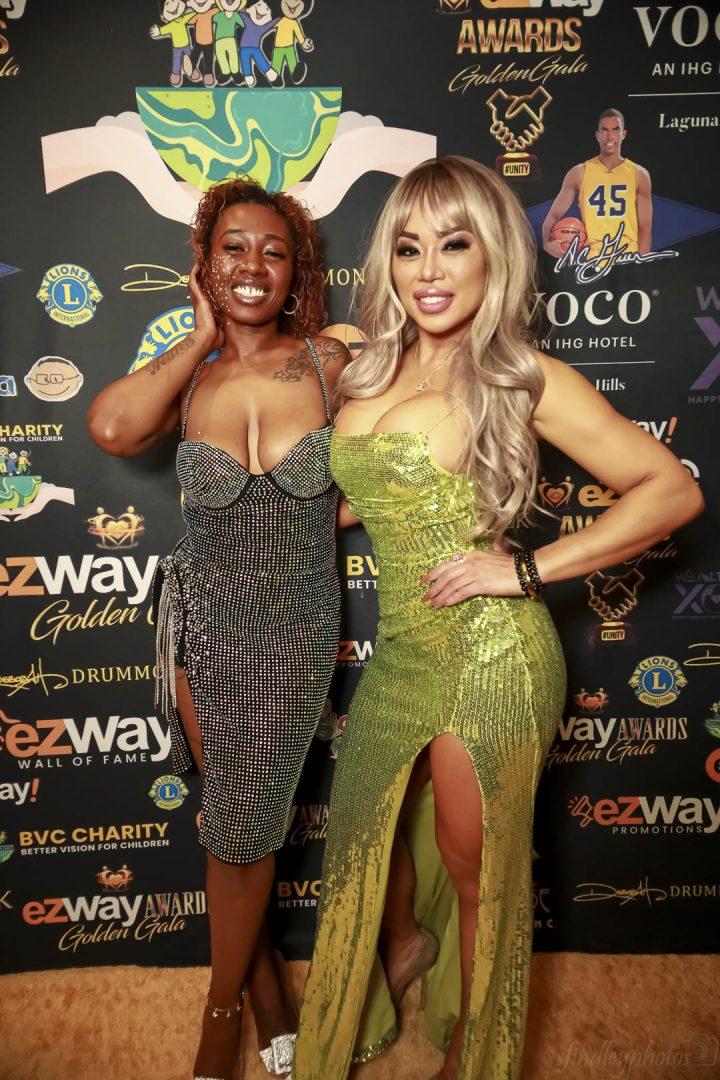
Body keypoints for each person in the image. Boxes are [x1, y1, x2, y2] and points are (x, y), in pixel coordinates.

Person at [293, 156, 703, 1080]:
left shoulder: (521, 375)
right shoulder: (367, 367)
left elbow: (671, 490)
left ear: (493, 257)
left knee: (476, 868)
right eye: (409, 248)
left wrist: (524, 569)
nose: (429, 270)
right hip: (404, 649)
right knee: (361, 842)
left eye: (454, 244)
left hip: (493, 654)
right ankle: (402, 954)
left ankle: (474, 1055)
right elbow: (366, 496)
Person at [87, 177, 349, 1080]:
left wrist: (316, 520)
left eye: (274, 252)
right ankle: (262, 995)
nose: (253, 266)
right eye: (233, 247)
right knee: (232, 823)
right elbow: (110, 426)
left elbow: (398, 460)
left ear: (296, 272)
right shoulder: (191, 375)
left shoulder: (328, 362)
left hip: (295, 631)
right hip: (201, 625)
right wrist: (199, 334)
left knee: (244, 827)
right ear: (203, 262)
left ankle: (219, 1015)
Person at [542, 108, 653, 258]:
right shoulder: (579, 172)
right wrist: (546, 243)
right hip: (592, 260)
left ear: (623, 134)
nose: (610, 136)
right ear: (598, 135)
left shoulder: (639, 174)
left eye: (616, 129)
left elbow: (645, 227)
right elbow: (553, 215)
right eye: (604, 130)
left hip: (627, 258)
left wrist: (643, 265)